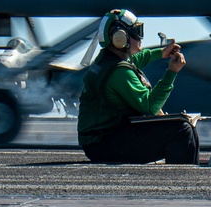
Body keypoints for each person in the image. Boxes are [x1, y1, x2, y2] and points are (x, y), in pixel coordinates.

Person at [77, 9, 199, 165]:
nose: (140, 37)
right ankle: (183, 184)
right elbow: (150, 107)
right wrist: (171, 72)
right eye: (136, 32)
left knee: (184, 127)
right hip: (107, 144)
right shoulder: (119, 73)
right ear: (120, 37)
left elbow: (136, 60)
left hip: (100, 141)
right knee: (182, 130)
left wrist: (162, 53)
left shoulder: (106, 61)